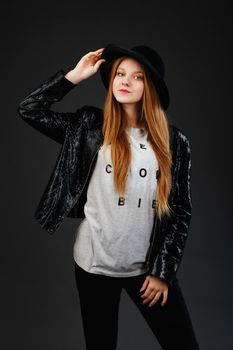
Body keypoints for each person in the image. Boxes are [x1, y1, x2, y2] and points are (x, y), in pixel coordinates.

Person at [17, 43, 200, 350]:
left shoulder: (174, 143)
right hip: (94, 267)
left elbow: (180, 210)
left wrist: (163, 273)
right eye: (119, 73)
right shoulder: (88, 127)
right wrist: (74, 76)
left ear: (151, 87)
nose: (125, 81)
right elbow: (29, 109)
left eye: (137, 77)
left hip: (147, 271)